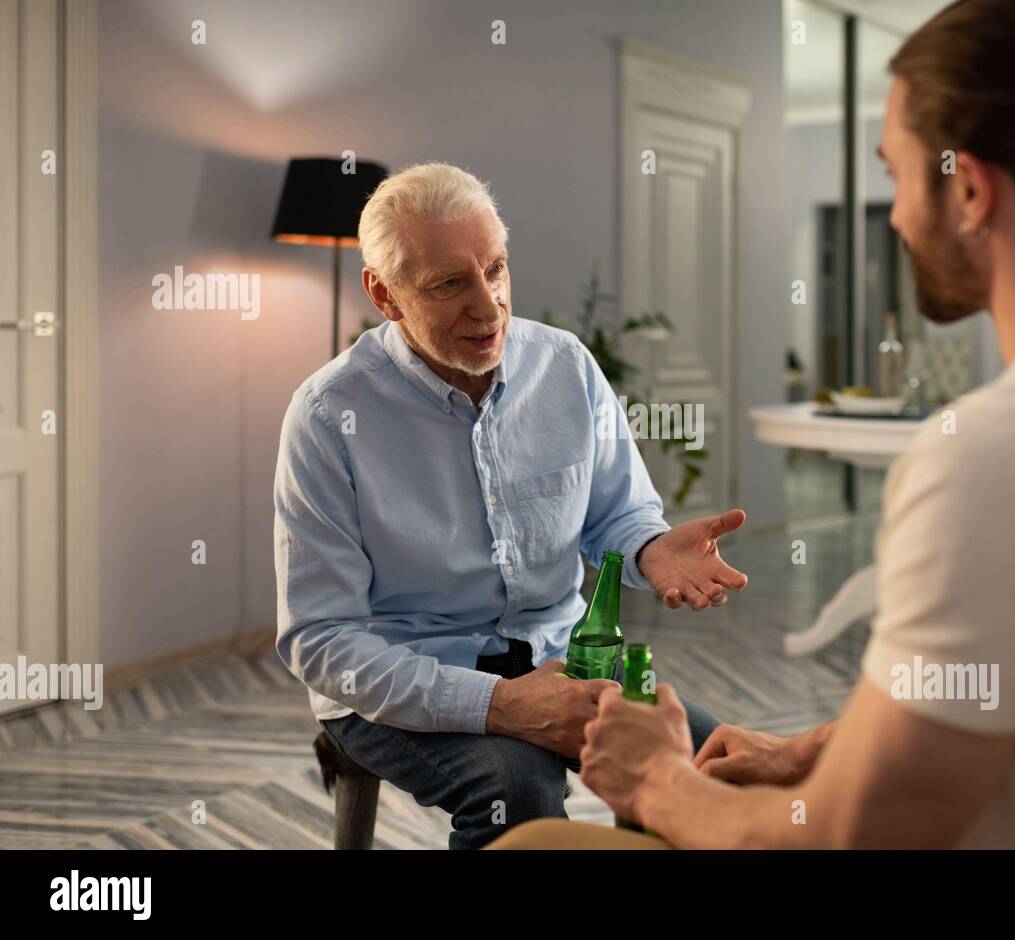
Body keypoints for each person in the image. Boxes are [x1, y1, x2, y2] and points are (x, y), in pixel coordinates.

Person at [492, 0, 1015, 850]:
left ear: (970, 188)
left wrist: (657, 780)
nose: (898, 217)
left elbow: (848, 835)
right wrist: (814, 754)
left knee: (539, 845)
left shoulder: (1003, 455)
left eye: (899, 176)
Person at [273, 161, 748, 849]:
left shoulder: (566, 366)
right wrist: (500, 705)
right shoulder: (326, 416)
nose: (489, 305)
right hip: (402, 678)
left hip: (563, 656)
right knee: (517, 789)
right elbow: (321, 639)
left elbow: (618, 515)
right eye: (449, 285)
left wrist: (650, 547)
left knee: (718, 768)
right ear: (384, 293)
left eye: (495, 269)